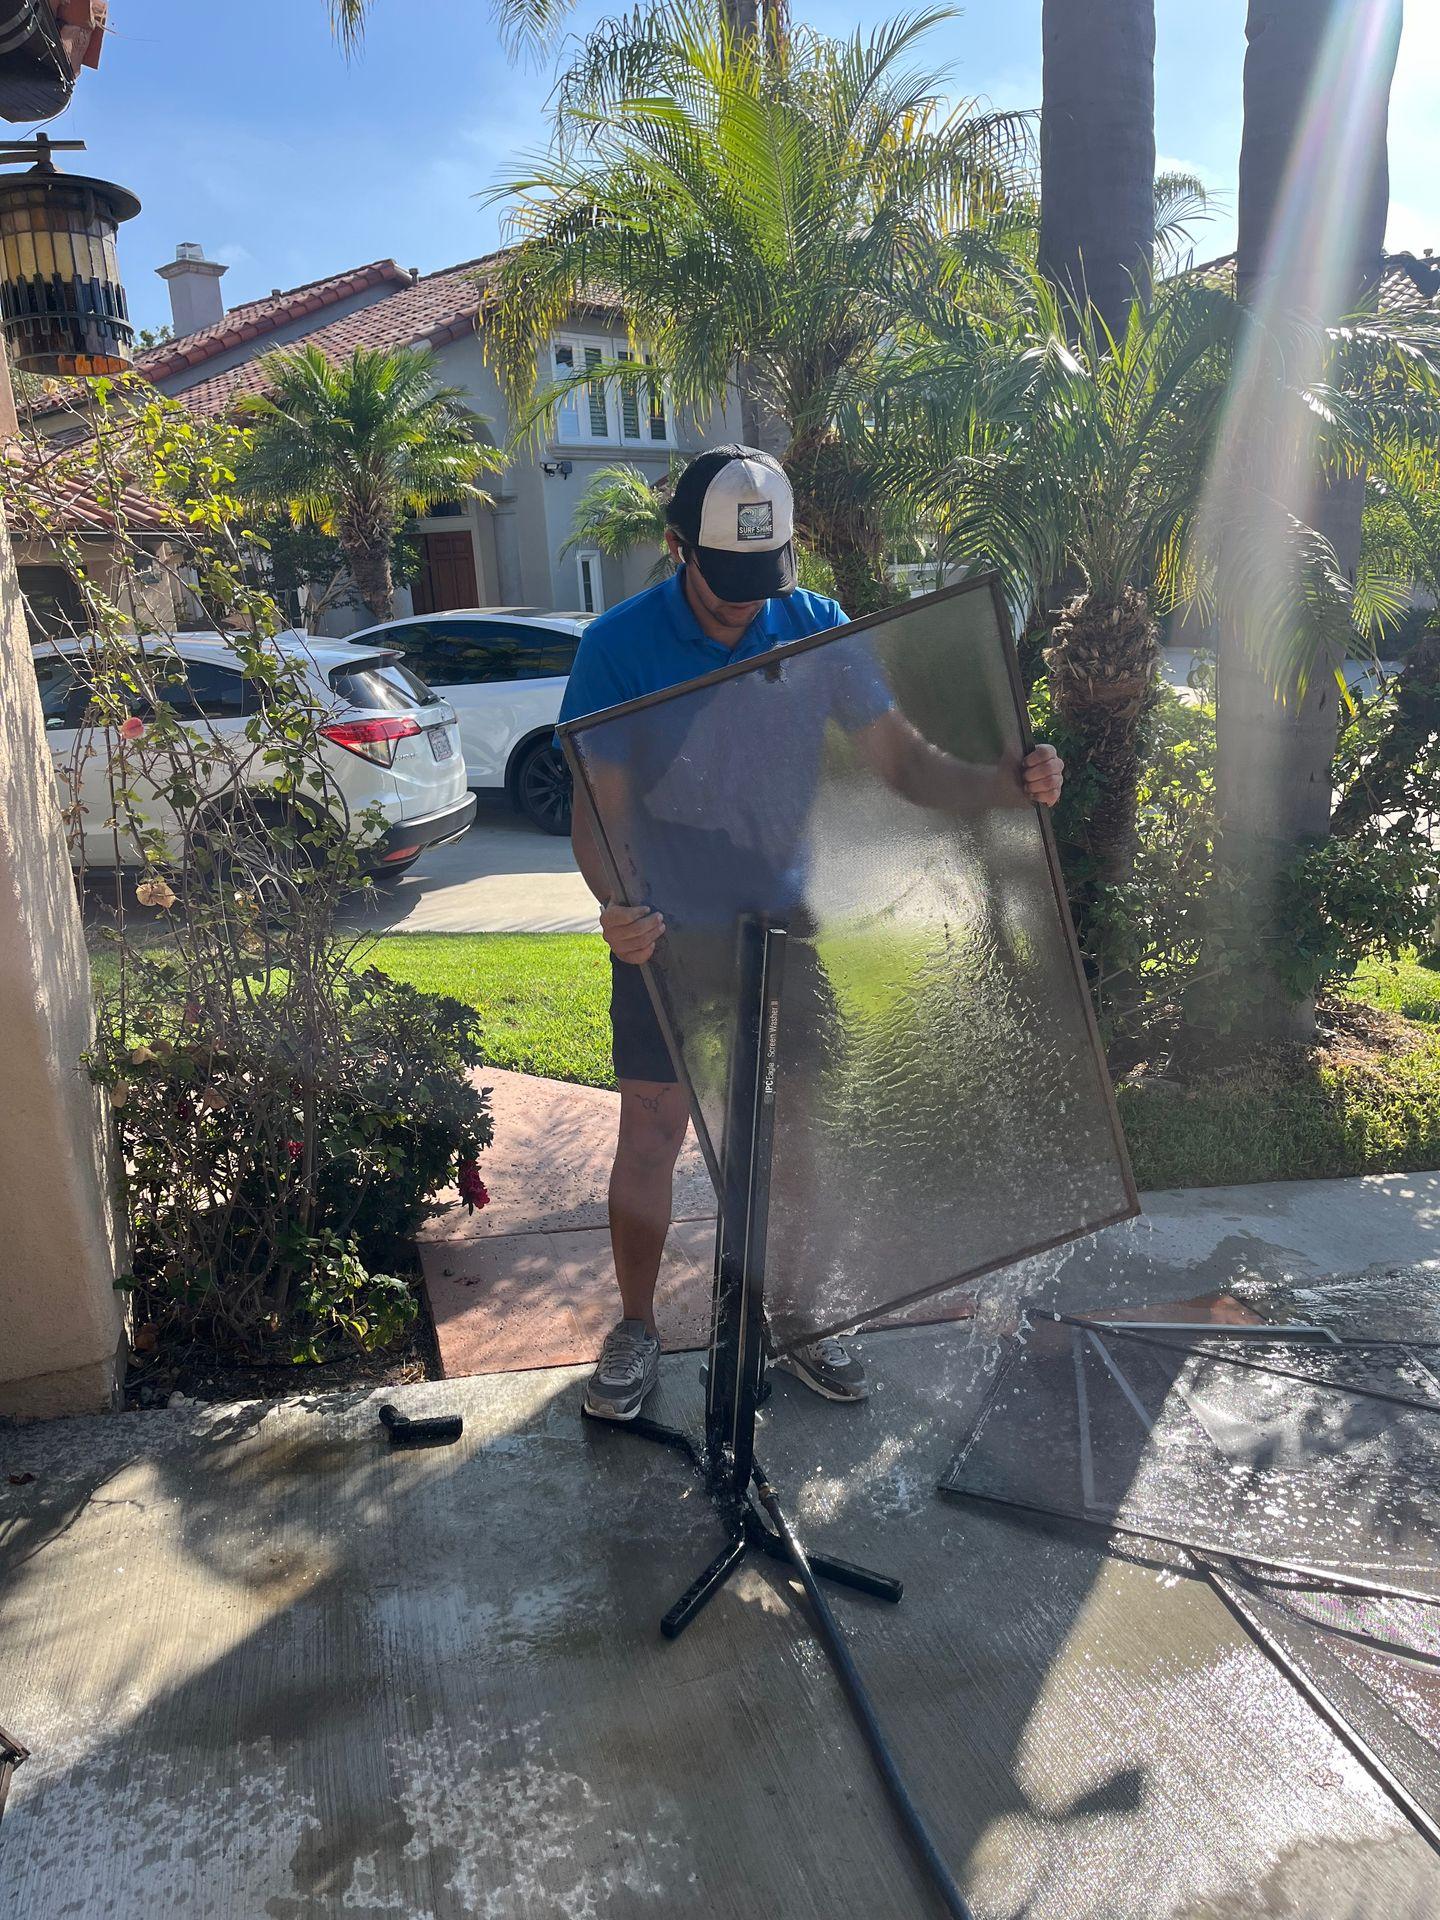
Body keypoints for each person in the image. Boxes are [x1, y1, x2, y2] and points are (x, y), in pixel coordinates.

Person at [559, 445, 1064, 1421]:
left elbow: (905, 767)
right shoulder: (615, 647)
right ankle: (634, 1329)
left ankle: (794, 1320)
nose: (744, 605)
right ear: (676, 549)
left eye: (762, 580)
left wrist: (1006, 784)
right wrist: (617, 904)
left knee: (795, 1137)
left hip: (779, 926)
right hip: (662, 922)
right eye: (723, 582)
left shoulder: (817, 627)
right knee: (653, 1131)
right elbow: (599, 802)